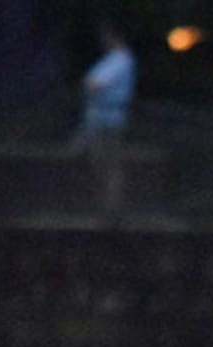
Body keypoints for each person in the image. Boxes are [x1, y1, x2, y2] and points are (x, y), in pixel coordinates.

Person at [70, 19, 135, 221]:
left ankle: (110, 211)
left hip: (107, 121)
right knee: (94, 162)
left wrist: (87, 86)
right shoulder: (111, 60)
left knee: (108, 165)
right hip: (97, 119)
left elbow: (94, 84)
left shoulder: (121, 60)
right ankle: (99, 207)